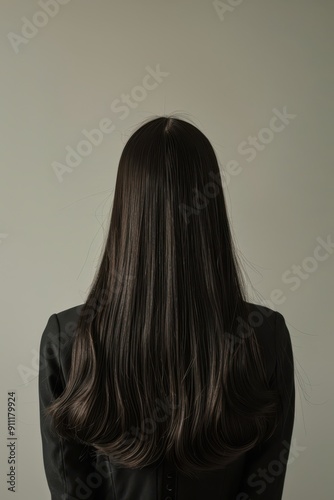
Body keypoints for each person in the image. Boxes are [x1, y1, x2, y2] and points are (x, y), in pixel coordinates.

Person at [38, 115, 295, 500]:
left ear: (127, 207)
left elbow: (69, 489)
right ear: (211, 207)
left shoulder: (69, 339)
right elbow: (264, 486)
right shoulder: (264, 336)